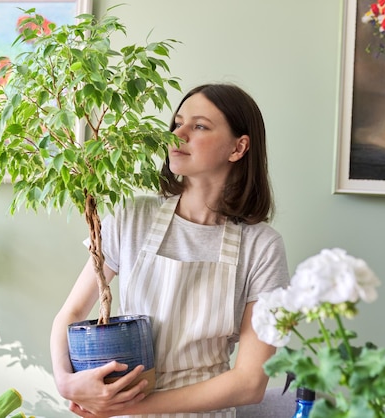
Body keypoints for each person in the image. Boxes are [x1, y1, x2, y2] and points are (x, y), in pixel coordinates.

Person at [50, 83, 290, 418]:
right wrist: (65, 382)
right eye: (177, 123)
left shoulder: (262, 246)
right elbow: (73, 313)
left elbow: (249, 383)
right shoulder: (130, 216)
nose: (177, 134)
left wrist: (127, 407)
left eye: (199, 126)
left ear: (239, 147)